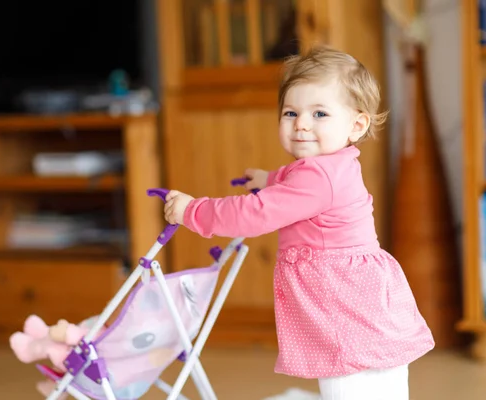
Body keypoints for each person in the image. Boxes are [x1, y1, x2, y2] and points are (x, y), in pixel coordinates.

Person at [162, 44, 435, 400]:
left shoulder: (318, 177)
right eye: (291, 112)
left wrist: (192, 211)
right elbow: (300, 183)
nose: (301, 124)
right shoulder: (333, 164)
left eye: (319, 114)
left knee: (350, 388)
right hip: (360, 303)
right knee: (381, 386)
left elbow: (255, 214)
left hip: (344, 310)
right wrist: (270, 179)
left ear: (357, 124)